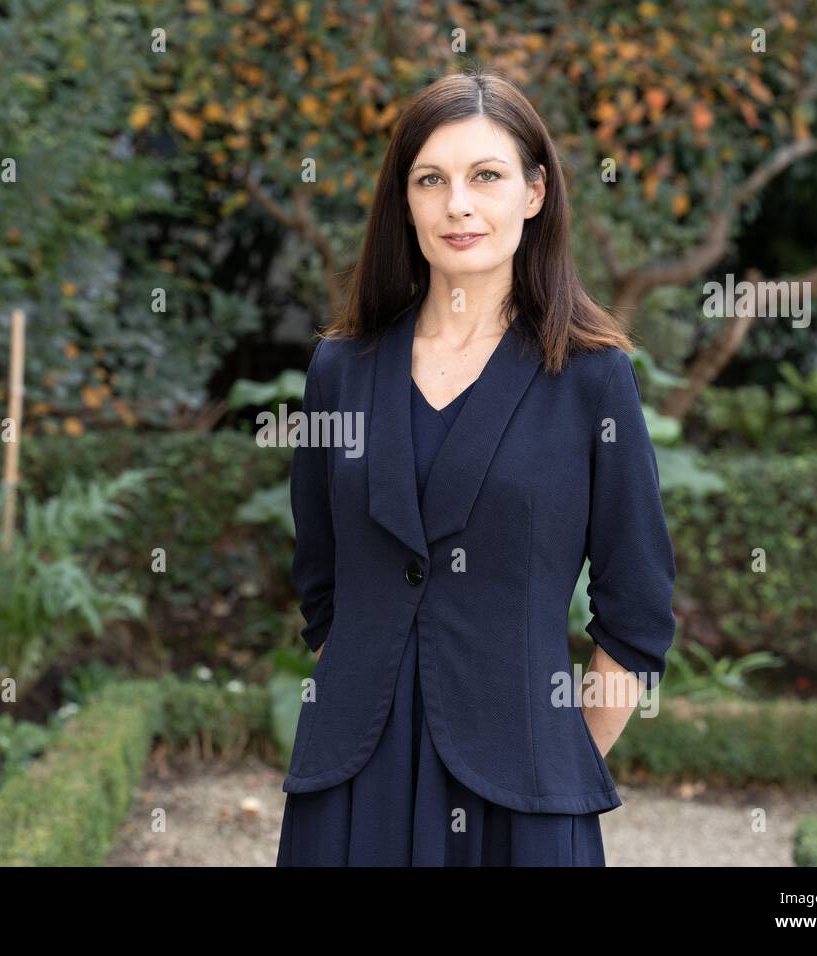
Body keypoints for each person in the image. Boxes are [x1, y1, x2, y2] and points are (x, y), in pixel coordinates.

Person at [275, 66, 678, 867]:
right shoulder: (339, 371)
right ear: (407, 202)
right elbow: (322, 587)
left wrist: (560, 758)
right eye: (431, 180)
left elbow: (635, 615)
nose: (458, 203)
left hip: (523, 800)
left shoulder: (594, 379)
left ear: (533, 193)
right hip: (350, 793)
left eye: (485, 176)